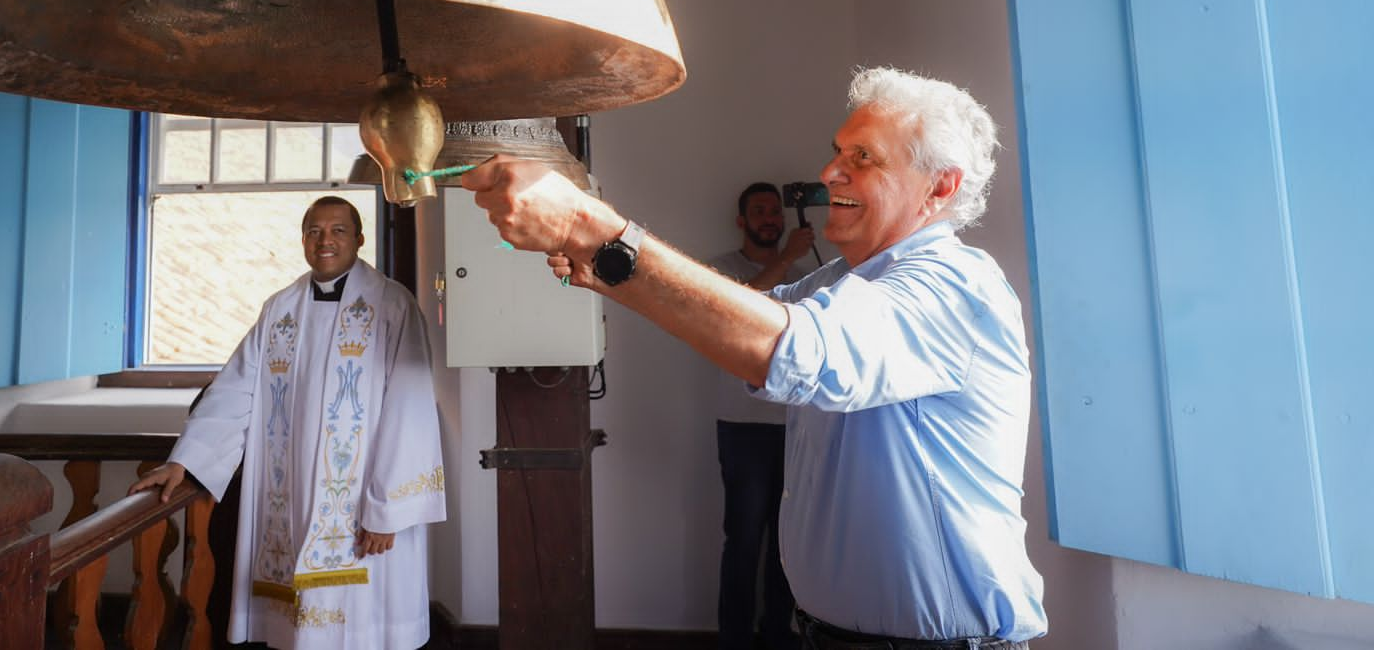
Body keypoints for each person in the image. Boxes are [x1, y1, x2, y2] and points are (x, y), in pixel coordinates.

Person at [461, 68, 1046, 649]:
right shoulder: (844, 278)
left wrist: (591, 227)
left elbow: (792, 349)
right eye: (838, 151)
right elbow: (747, 316)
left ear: (939, 187)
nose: (828, 173)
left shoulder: (953, 284)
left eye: (863, 157)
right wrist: (609, 273)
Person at [131, 196, 446, 650]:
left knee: (366, 629)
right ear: (302, 240)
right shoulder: (280, 309)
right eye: (315, 231)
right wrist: (186, 460)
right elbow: (237, 389)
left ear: (359, 238)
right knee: (302, 631)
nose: (325, 240)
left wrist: (388, 510)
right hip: (292, 497)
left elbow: (409, 410)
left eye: (338, 230)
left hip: (364, 506)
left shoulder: (392, 306)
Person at [707, 182, 814, 650]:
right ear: (742, 220)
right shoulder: (721, 269)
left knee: (787, 545)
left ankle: (777, 636)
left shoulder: (809, 273)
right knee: (744, 540)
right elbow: (736, 310)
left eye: (775, 210)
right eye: (760, 211)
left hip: (798, 427)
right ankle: (733, 640)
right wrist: (787, 258)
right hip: (743, 426)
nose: (770, 217)